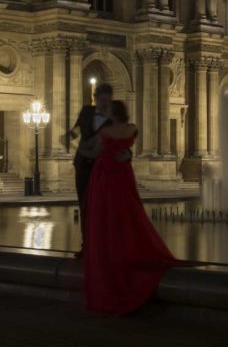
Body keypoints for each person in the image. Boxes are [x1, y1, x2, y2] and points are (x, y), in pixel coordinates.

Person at [80, 100, 180, 314]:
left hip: (105, 173)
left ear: (112, 113)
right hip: (123, 172)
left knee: (104, 215)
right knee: (129, 211)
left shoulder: (105, 131)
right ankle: (130, 245)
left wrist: (81, 151)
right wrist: (127, 155)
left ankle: (109, 251)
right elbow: (127, 147)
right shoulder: (132, 129)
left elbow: (94, 152)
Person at [69, 83, 130, 258]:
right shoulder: (87, 111)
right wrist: (70, 135)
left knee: (103, 208)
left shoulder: (114, 118)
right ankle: (86, 245)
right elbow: (78, 129)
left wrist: (128, 155)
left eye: (107, 101)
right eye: (101, 100)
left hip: (102, 167)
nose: (104, 104)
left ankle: (105, 244)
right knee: (84, 205)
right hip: (83, 165)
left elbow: (122, 139)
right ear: (95, 99)